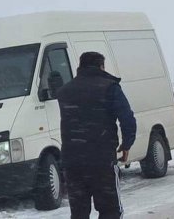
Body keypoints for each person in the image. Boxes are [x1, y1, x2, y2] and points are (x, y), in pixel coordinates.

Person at [57, 52, 136, 219]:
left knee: (79, 213)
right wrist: (127, 144)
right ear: (101, 66)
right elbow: (127, 118)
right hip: (102, 161)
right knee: (110, 210)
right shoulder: (109, 87)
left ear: (80, 66)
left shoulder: (65, 91)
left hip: (72, 162)